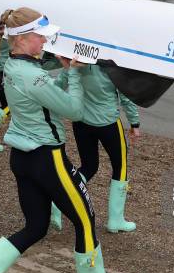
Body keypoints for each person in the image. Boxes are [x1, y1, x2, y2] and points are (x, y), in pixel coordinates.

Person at [0, 7, 133, 273]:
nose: (46, 43)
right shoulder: (33, 75)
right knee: (85, 220)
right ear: (25, 38)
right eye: (42, 37)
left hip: (22, 158)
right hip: (48, 160)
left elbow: (46, 94)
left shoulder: (12, 65)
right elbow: (75, 111)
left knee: (36, 227)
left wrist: (65, 72)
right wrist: (77, 73)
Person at [50, 65, 140, 233]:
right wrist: (134, 123)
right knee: (120, 168)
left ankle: (58, 201)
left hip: (81, 122)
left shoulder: (75, 61)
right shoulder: (113, 67)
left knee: (89, 167)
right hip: (108, 124)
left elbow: (58, 87)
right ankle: (115, 220)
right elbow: (126, 97)